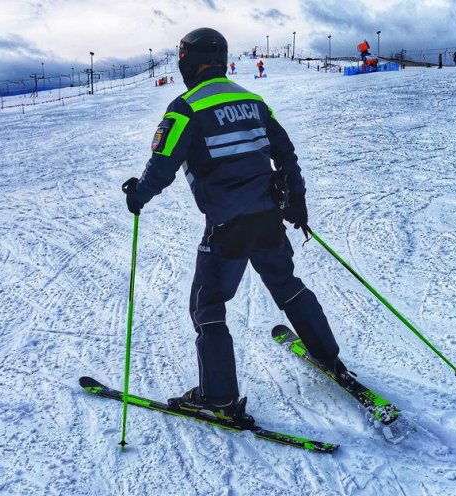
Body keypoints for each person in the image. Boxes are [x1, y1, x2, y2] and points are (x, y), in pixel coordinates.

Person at [121, 27, 345, 425]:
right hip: (267, 218)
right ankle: (326, 353)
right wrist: (297, 203)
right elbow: (286, 153)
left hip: (227, 226)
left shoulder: (185, 107)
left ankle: (218, 396)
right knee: (287, 284)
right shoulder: (253, 100)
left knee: (207, 304)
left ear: (190, 61)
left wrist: (138, 195)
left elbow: (163, 164)